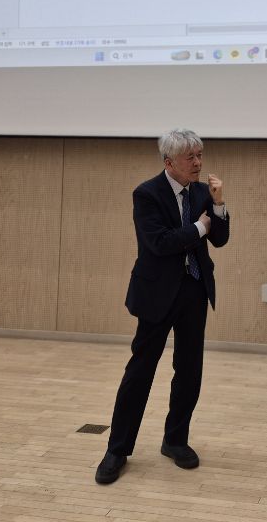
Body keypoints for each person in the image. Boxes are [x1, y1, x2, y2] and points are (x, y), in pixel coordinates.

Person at [95, 129, 231, 485]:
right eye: (190, 157)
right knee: (140, 371)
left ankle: (175, 440)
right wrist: (200, 226)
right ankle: (117, 449)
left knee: (189, 370)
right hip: (156, 294)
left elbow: (220, 239)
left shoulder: (202, 192)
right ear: (169, 162)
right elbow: (160, 243)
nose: (198, 163)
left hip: (194, 291)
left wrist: (218, 205)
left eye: (200, 155)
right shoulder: (147, 194)